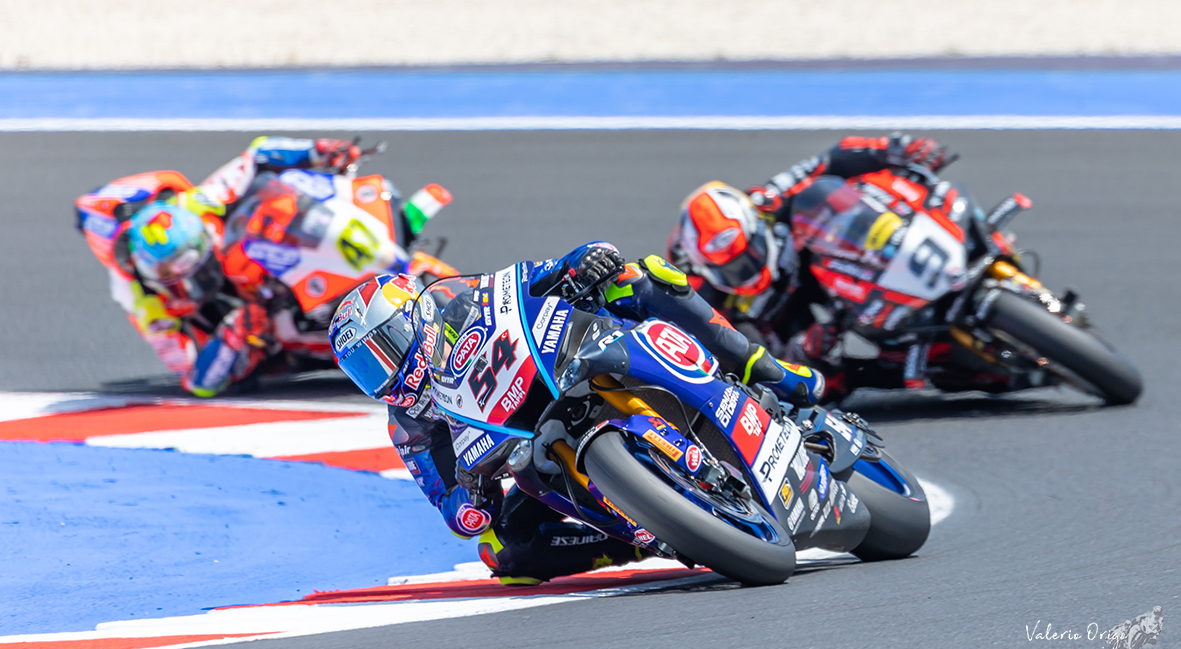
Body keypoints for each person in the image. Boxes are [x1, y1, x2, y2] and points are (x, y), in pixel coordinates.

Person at [329, 242, 824, 585]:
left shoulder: (460, 301)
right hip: (532, 446)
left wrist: (580, 263)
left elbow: (529, 278)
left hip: (575, 355)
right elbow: (450, 505)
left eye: (383, 351)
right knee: (502, 550)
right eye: (365, 370)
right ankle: (655, 530)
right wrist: (469, 498)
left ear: (413, 319)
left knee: (640, 277)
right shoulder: (408, 424)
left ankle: (766, 369)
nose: (383, 374)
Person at [76, 137, 368, 396]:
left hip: (258, 258)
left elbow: (256, 155)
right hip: (243, 323)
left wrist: (317, 150)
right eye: (180, 274)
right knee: (263, 351)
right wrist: (231, 337)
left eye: (198, 264)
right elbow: (196, 380)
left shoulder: (198, 203)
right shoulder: (146, 306)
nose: (200, 277)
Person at [666, 133, 951, 395]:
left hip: (828, 271)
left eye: (750, 255)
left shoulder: (766, 202)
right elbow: (750, 366)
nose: (746, 272)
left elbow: (828, 161)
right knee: (821, 386)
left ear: (756, 224)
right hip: (792, 322)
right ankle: (895, 366)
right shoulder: (713, 305)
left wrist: (896, 149)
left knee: (843, 203)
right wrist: (801, 348)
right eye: (731, 270)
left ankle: (918, 246)